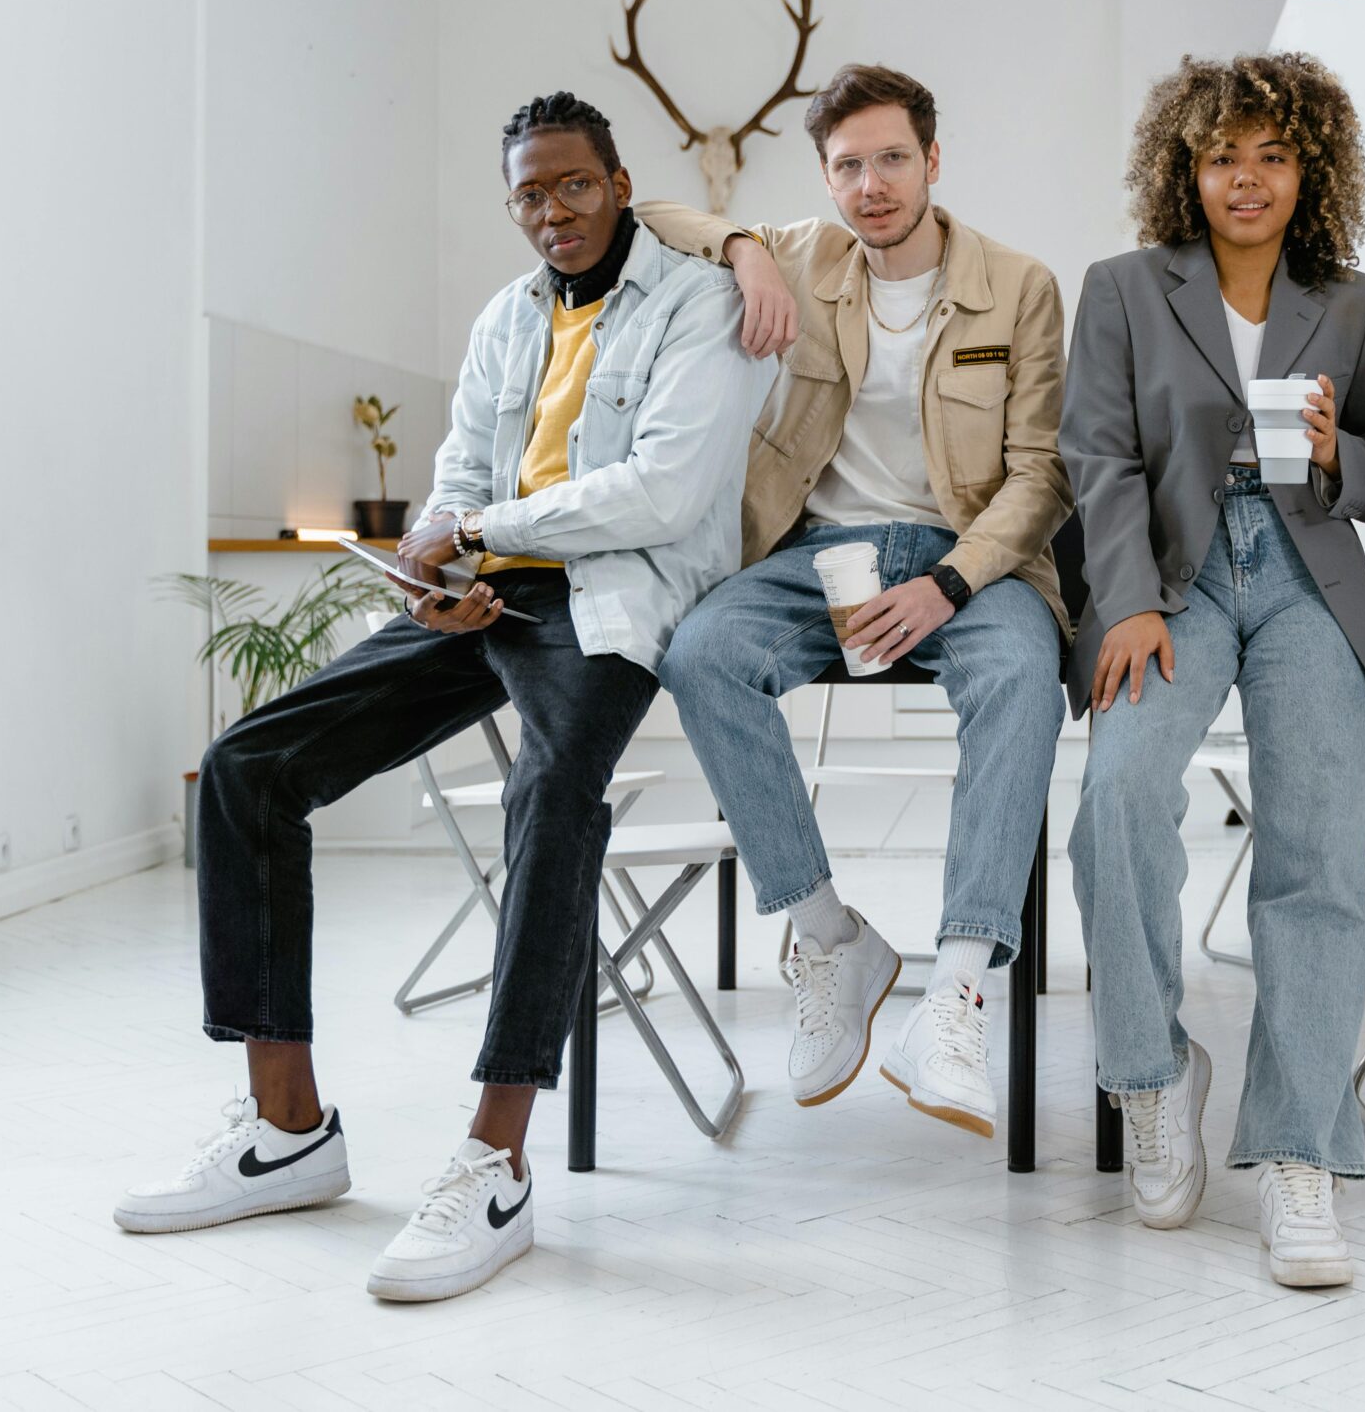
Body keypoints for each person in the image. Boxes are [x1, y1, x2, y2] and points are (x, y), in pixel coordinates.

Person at [114, 91, 785, 1302]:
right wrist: (440, 559)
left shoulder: (703, 304)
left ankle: (494, 1164)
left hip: (605, 603)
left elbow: (664, 493)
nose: (552, 211)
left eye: (573, 185)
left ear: (618, 185)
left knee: (553, 795)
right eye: (529, 193)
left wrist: (475, 531)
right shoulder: (506, 318)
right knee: (246, 770)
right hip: (482, 592)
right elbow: (459, 470)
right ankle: (287, 1130)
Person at [641, 63, 1072, 1141]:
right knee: (700, 654)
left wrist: (948, 583)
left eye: (891, 160)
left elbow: (1041, 476)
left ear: (933, 161)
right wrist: (743, 249)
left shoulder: (1019, 284)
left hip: (971, 561)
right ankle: (832, 936)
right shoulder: (802, 254)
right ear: (825, 178)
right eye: (847, 167)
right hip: (819, 555)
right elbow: (648, 213)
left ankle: (956, 991)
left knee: (1026, 673)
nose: (871, 185)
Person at [1061, 51, 1365, 1289]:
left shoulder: (1356, 301)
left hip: (1309, 574)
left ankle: (1299, 1154)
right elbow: (1096, 454)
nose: (1248, 178)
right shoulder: (1122, 287)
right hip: (1175, 577)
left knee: (1314, 848)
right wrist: (1124, 600)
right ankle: (1151, 1077)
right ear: (1187, 167)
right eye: (1224, 156)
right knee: (1116, 799)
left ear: (1310, 167)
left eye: (1272, 155)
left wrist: (1334, 455)